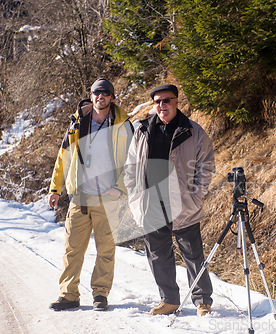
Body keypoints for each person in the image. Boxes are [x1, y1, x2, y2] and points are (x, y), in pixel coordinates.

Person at [124, 84, 215, 316]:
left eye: (166, 100)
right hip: (150, 203)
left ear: (176, 102)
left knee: (193, 254)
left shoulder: (193, 131)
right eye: (157, 102)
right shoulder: (142, 130)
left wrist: (195, 196)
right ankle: (169, 300)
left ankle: (202, 301)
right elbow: (131, 168)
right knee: (157, 255)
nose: (162, 105)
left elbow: (206, 166)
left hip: (183, 204)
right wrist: (135, 199)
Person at [48, 78, 133, 311]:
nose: (100, 96)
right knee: (71, 249)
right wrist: (55, 188)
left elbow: (132, 162)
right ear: (91, 95)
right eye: (96, 92)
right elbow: (63, 155)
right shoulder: (78, 122)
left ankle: (100, 294)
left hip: (109, 199)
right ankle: (69, 295)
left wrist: (119, 188)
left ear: (112, 98)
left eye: (105, 93)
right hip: (80, 198)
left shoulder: (123, 125)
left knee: (106, 250)